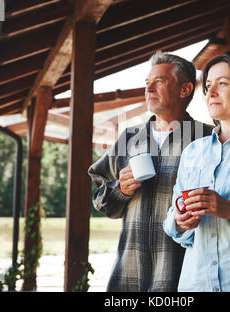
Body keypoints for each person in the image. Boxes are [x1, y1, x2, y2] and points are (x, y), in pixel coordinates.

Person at [88, 51, 213, 292]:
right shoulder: (128, 138)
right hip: (129, 276)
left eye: (160, 81)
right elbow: (100, 196)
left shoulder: (207, 138)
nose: (149, 89)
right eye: (147, 83)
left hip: (183, 277)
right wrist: (120, 190)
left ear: (185, 90)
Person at [163, 51, 230, 292]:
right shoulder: (193, 151)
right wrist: (181, 221)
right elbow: (173, 222)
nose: (210, 92)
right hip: (195, 286)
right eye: (209, 85)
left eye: (222, 84)